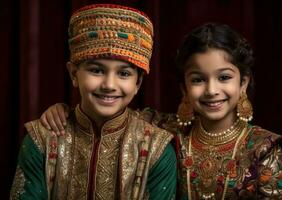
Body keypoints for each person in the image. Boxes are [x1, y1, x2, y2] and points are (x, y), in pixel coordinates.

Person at [40, 23, 282, 199]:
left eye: (223, 78)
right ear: (184, 87)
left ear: (242, 82)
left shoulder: (264, 149)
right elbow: (108, 111)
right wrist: (64, 110)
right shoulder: (165, 130)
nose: (211, 90)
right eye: (198, 79)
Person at [10, 4, 177, 200]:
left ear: (138, 83)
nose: (109, 85)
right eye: (96, 70)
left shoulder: (156, 149)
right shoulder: (42, 139)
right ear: (74, 74)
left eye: (123, 73)